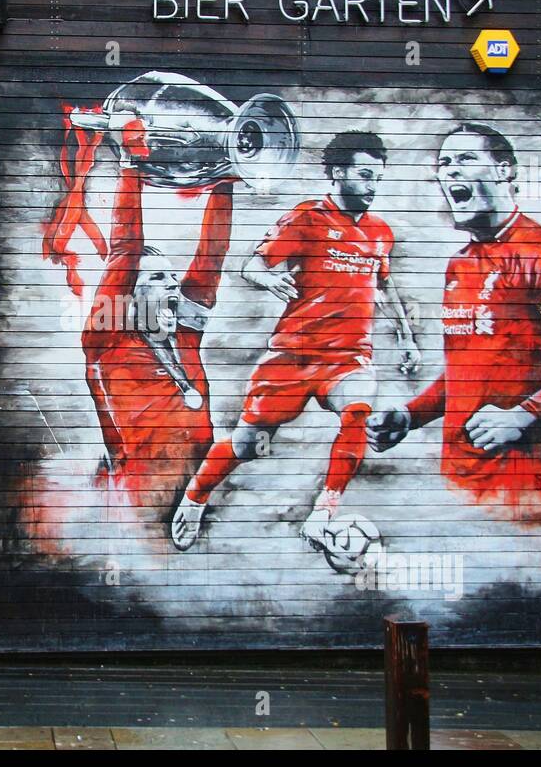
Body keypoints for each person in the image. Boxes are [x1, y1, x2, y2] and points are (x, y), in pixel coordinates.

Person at [170, 131, 419, 556]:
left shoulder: (380, 233)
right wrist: (269, 278)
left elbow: (383, 285)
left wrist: (406, 336)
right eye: (364, 175)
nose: (372, 186)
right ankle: (195, 496)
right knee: (247, 444)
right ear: (337, 173)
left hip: (349, 356)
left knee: (357, 412)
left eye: (378, 177)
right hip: (294, 355)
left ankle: (323, 514)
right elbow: (253, 265)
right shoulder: (307, 217)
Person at [366, 123, 541, 516]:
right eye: (444, 163)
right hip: (459, 476)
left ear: (504, 170)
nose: (450, 171)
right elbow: (467, 371)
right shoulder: (460, 263)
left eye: (465, 159)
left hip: (522, 481)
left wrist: (523, 415)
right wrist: (411, 415)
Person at [81, 119, 236, 500]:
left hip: (197, 496)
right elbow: (125, 248)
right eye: (158, 278)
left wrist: (224, 183)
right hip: (139, 502)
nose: (173, 284)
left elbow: (210, 261)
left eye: (172, 277)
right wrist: (132, 164)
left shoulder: (183, 336)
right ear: (128, 296)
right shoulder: (107, 338)